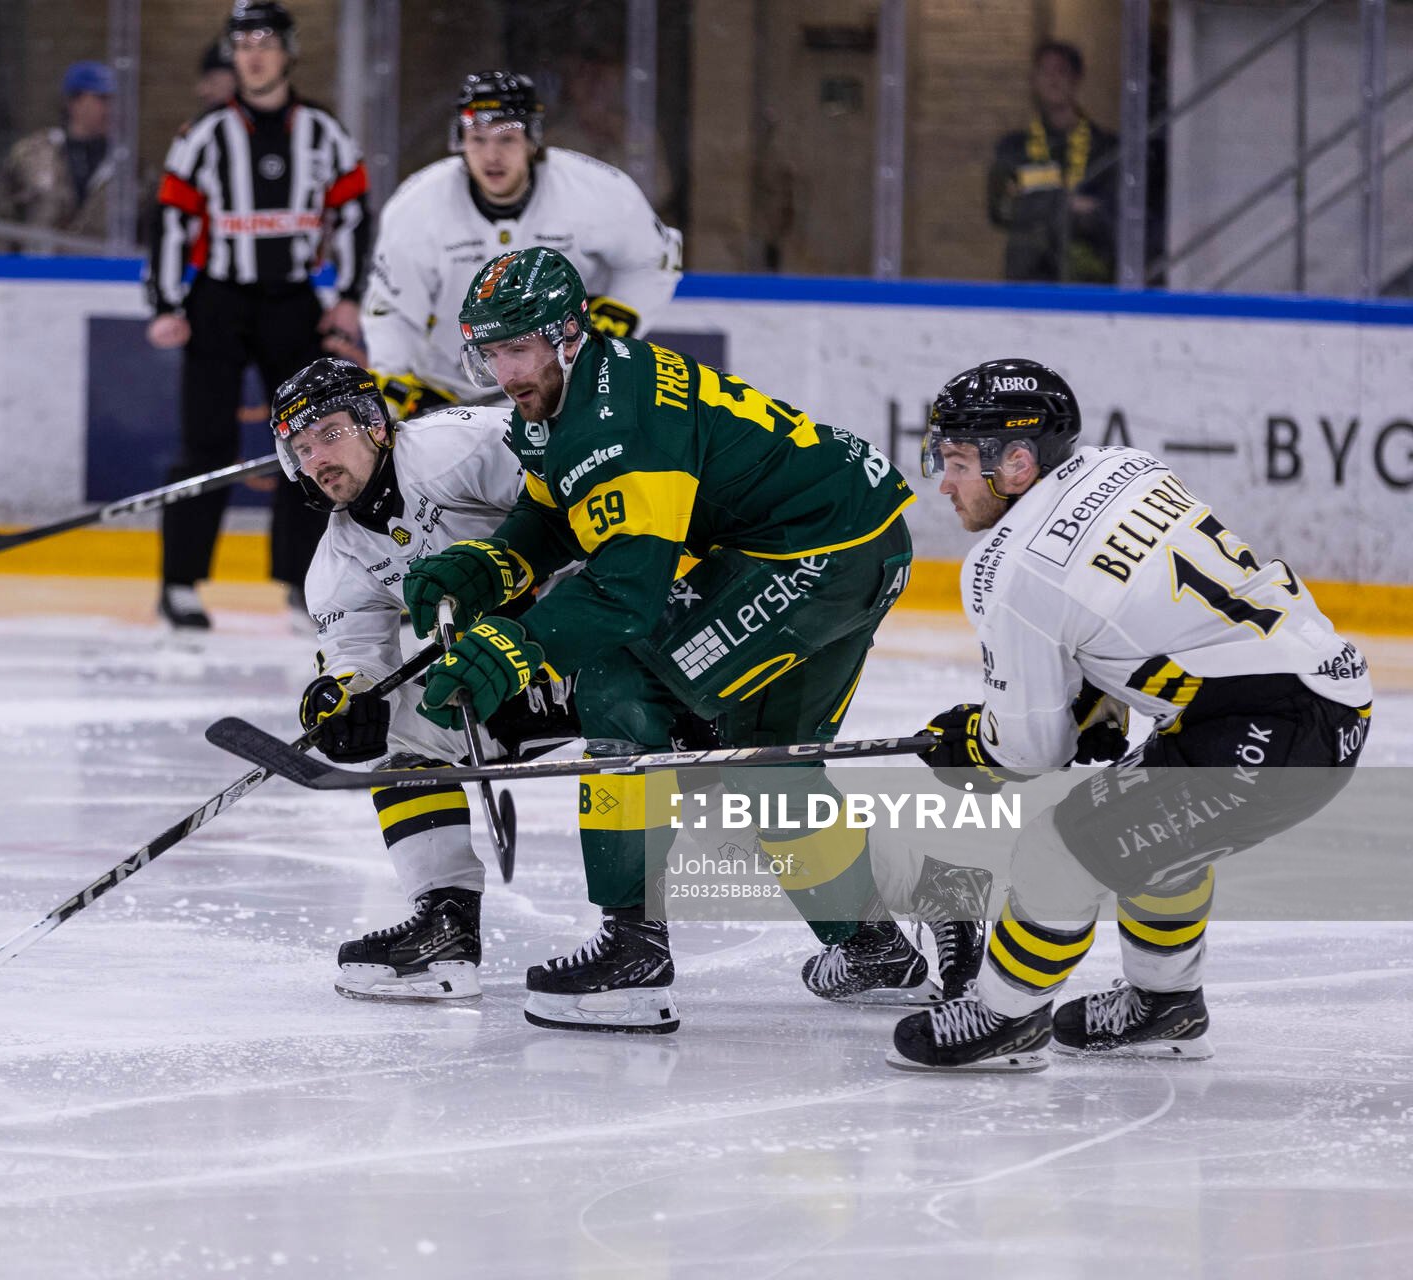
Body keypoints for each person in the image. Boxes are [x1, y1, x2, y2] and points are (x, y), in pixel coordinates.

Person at [399, 247, 965, 1035]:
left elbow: (626, 598)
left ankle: (633, 949)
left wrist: (512, 649)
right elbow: (557, 516)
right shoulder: (577, 392)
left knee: (614, 683)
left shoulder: (615, 423)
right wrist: (484, 566)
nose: (505, 371)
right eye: (490, 352)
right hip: (856, 541)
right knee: (766, 764)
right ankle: (875, 943)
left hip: (816, 557)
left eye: (519, 348)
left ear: (568, 336)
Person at [890, 359, 1374, 1072]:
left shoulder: (1008, 569)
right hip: (1323, 695)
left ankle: (1005, 1017)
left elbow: (1030, 750)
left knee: (1061, 845)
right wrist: (1099, 700)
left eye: (957, 461)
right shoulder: (1124, 465)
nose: (944, 483)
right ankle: (1165, 1005)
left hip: (1269, 731)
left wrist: (974, 742)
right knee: (1150, 835)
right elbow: (1134, 615)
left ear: (1017, 463)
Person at [271, 357, 577, 1000]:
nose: (317, 457)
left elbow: (579, 496)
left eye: (329, 433)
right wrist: (344, 697)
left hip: (604, 635)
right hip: (509, 680)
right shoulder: (337, 558)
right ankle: (446, 927)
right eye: (301, 448)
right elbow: (356, 653)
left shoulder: (455, 446)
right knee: (393, 726)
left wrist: (528, 598)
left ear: (376, 425)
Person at [146, 2, 371, 630]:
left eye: (266, 40)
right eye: (243, 41)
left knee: (310, 439)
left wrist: (347, 296)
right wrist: (166, 302)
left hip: (293, 301)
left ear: (289, 51)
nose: (254, 52)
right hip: (218, 300)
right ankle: (181, 583)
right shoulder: (204, 135)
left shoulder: (325, 133)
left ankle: (304, 581)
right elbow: (169, 217)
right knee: (205, 442)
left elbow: (353, 213)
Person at [361, 71, 680, 421]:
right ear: (460, 140)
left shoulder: (596, 190)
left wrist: (621, 312)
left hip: (565, 384)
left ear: (532, 140)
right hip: (449, 392)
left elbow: (654, 260)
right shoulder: (417, 205)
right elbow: (392, 308)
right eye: (477, 139)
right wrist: (395, 373)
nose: (491, 155)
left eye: (507, 139)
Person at [987, 41, 1119, 284]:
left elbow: (1114, 215)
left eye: (1061, 71)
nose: (1053, 80)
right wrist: (1066, 203)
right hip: (1027, 276)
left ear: (1077, 79)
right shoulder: (1014, 148)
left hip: (1087, 278)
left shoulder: (1106, 149)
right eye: (1045, 72)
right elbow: (1001, 211)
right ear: (1034, 80)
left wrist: (1033, 199)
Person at [0, 61, 115, 245]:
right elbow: (5, 218)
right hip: (40, 270)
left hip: (105, 270)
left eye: (113, 100)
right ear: (74, 102)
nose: (110, 108)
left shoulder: (127, 166)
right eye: (102, 99)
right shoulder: (31, 156)